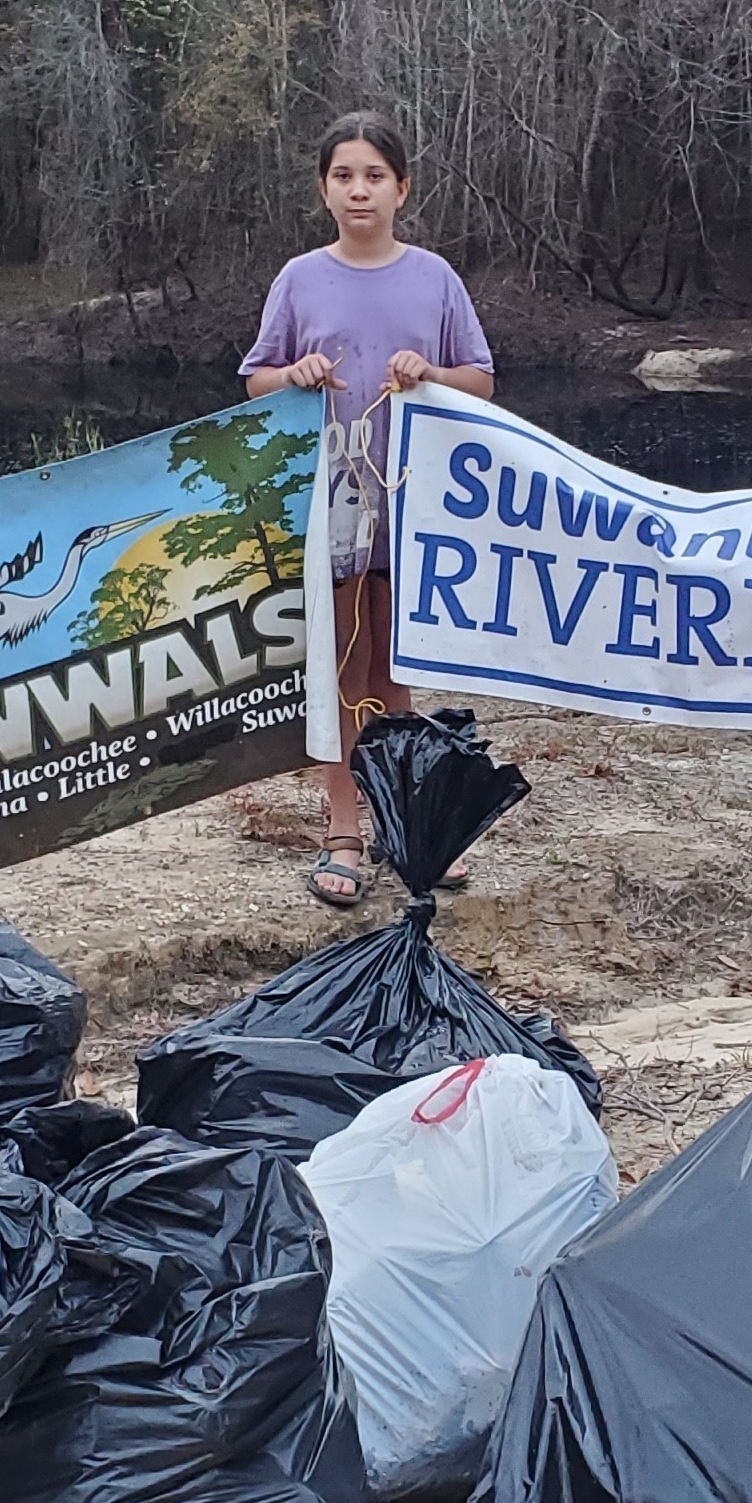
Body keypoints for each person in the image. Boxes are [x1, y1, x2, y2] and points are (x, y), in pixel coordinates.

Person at [239, 111, 497, 908]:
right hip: (328, 506)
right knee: (340, 665)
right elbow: (254, 378)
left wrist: (432, 374)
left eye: (375, 176)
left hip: (414, 506)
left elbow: (482, 379)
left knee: (397, 671)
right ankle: (343, 831)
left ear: (401, 187)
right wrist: (299, 373)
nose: (360, 190)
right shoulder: (299, 278)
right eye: (344, 175)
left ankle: (405, 823)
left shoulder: (435, 278)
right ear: (324, 189)